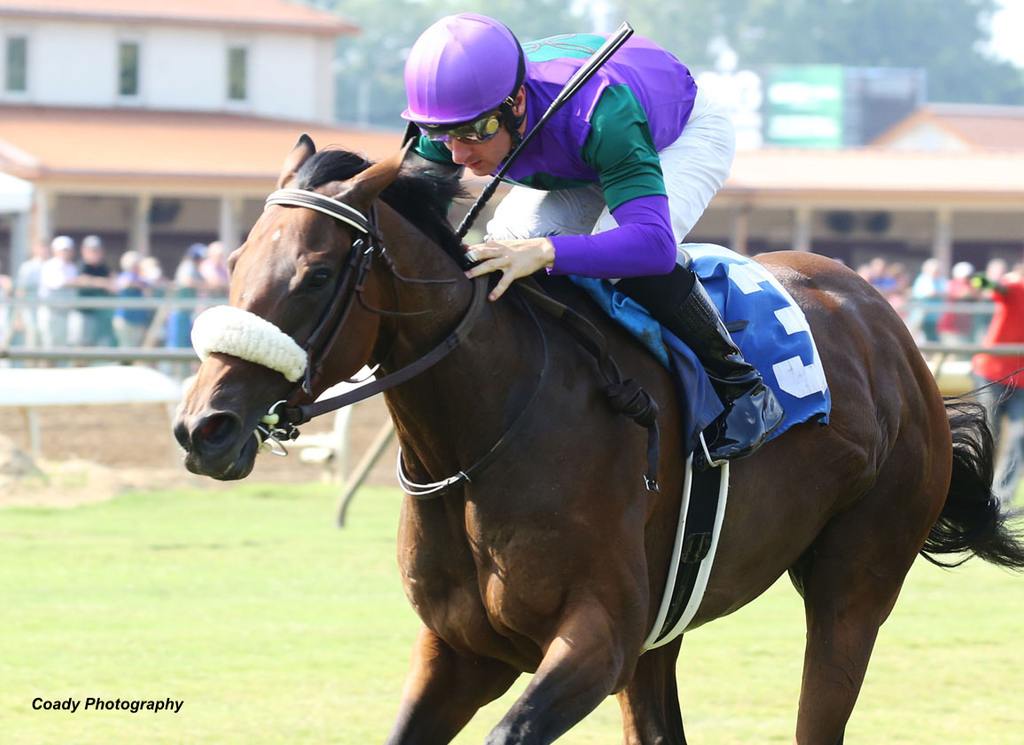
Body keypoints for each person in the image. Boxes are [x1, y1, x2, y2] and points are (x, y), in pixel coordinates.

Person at [401, 13, 782, 464]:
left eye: (474, 133)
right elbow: (408, 223)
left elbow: (653, 246)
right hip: (582, 155)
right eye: (442, 135)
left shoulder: (603, 114)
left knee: (613, 252)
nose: (459, 154)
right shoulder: (453, 114)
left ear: (517, 102)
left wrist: (546, 252)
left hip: (674, 134)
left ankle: (744, 388)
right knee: (503, 242)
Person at [971, 265, 1024, 505]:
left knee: (1020, 436)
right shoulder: (1015, 287)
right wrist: (984, 279)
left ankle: (1002, 495)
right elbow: (991, 286)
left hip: (1021, 382)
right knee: (989, 432)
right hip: (993, 373)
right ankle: (974, 484)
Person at [75, 234, 117, 348]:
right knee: (84, 344)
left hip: (102, 313)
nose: (95, 253)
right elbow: (82, 280)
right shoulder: (82, 265)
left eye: (97, 250)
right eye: (92, 250)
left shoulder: (103, 267)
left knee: (104, 343)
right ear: (84, 250)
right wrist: (102, 283)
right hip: (86, 313)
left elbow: (113, 283)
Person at [38, 235, 79, 349]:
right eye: (63, 250)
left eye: (67, 250)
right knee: (49, 345)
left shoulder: (72, 267)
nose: (65, 253)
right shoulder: (49, 266)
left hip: (67, 312)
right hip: (51, 311)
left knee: (64, 345)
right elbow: (57, 283)